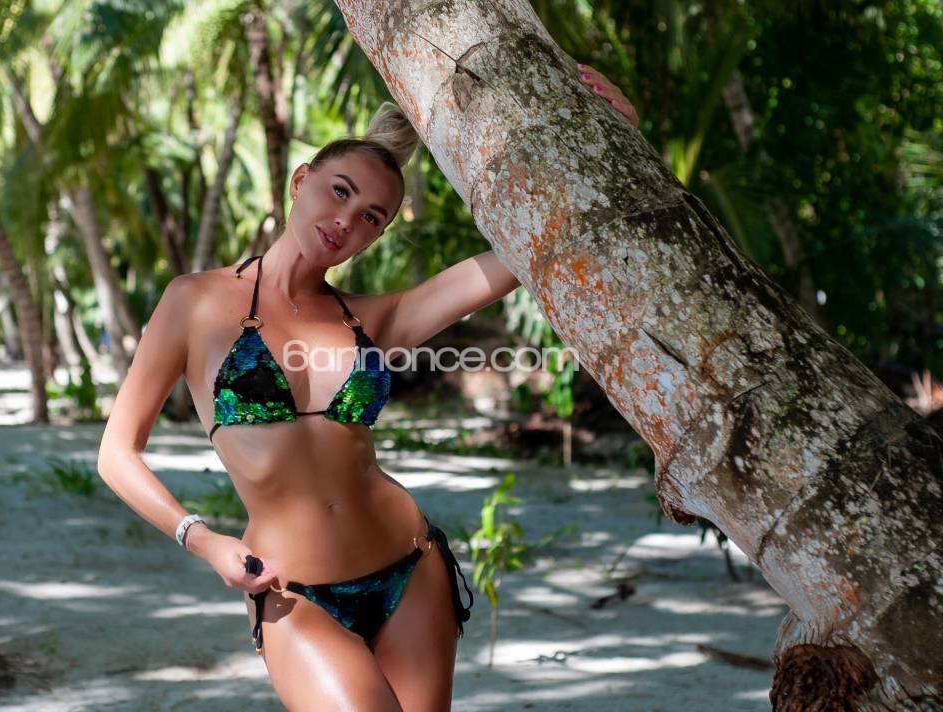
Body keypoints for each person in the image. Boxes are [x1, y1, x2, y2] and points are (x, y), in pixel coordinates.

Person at [96, 64, 638, 710]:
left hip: (411, 568)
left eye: (370, 217)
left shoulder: (375, 319)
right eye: (339, 192)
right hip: (291, 591)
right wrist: (204, 539)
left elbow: (522, 253)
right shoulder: (194, 302)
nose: (345, 220)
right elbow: (116, 454)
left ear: (376, 236)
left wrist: (614, 135)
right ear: (301, 180)